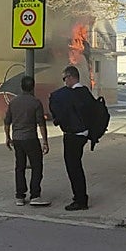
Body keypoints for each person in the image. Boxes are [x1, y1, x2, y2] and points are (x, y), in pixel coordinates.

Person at [49, 64, 96, 211]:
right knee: (77, 166)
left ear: (70, 77)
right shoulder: (85, 92)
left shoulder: (68, 95)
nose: (64, 82)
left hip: (72, 136)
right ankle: (80, 197)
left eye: (64, 78)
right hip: (84, 134)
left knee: (73, 168)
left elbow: (59, 115)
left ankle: (80, 200)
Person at [4, 75, 50, 207]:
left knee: (20, 167)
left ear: (21, 87)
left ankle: (20, 196)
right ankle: (35, 195)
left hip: (17, 139)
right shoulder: (36, 103)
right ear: (33, 87)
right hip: (31, 139)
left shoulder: (13, 102)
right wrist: (45, 142)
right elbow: (41, 124)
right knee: (37, 166)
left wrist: (8, 137)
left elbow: (7, 121)